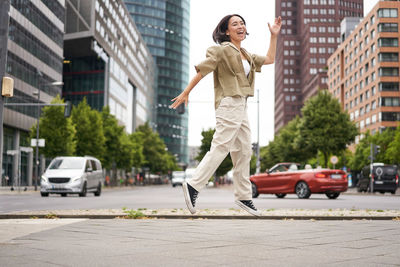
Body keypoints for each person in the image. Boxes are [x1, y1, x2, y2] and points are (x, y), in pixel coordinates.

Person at [170, 14, 281, 216]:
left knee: (244, 150)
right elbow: (202, 71)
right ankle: (194, 185)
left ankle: (244, 197)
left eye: (242, 23)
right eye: (235, 24)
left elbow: (270, 59)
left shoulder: (246, 54)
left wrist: (273, 35)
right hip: (229, 102)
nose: (240, 26)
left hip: (242, 104)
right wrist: (186, 92)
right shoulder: (221, 50)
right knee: (221, 145)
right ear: (227, 31)